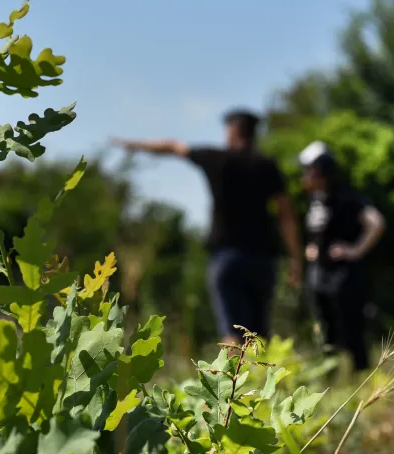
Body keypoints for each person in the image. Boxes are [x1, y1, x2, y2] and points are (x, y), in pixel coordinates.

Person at [113, 109, 302, 346]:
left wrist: (133, 145)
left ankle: (234, 382)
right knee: (258, 334)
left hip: (228, 258)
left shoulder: (217, 159)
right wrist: (295, 258)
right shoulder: (267, 166)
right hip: (262, 259)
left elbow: (173, 147)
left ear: (233, 130)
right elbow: (286, 214)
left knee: (233, 333)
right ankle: (262, 380)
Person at [298, 140, 386, 372]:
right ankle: (329, 377)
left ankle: (361, 375)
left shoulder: (346, 196)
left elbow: (376, 223)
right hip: (319, 274)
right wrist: (311, 248)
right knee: (325, 330)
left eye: (310, 171)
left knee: (351, 328)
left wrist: (355, 250)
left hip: (344, 275)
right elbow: (316, 233)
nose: (306, 176)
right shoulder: (315, 200)